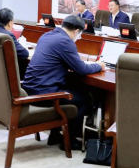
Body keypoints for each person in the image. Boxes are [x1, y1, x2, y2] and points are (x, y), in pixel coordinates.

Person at [23, 15, 106, 149]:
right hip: (44, 94)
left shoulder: (46, 35)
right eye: (80, 34)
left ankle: (55, 135)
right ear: (76, 31)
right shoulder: (65, 41)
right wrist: (98, 65)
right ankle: (70, 141)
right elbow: (82, 69)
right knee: (84, 100)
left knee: (74, 88)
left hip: (30, 89)